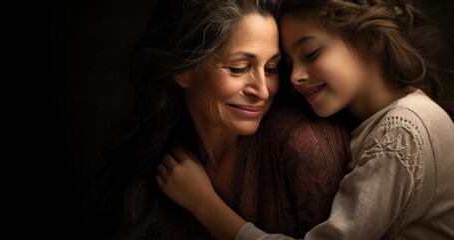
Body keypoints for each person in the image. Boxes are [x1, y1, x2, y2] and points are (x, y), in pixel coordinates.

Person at [156, 0, 454, 239]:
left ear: (370, 41)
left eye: (310, 53)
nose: (295, 77)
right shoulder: (393, 123)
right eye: (286, 65)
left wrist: (203, 204)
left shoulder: (402, 134)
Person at [91, 0, 352, 239]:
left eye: (271, 68)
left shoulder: (304, 146)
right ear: (183, 72)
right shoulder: (162, 153)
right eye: (238, 68)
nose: (262, 91)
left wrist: (203, 205)